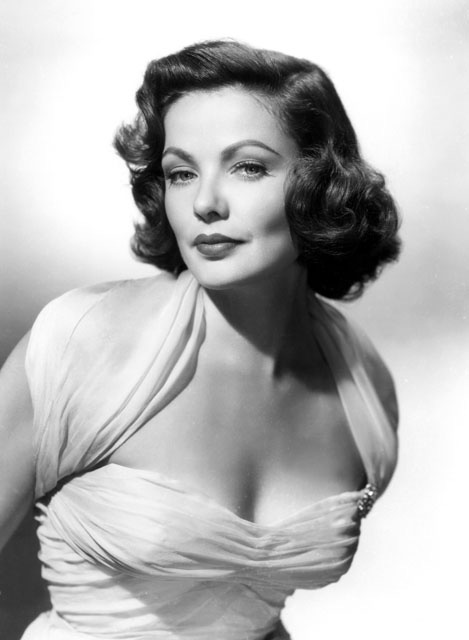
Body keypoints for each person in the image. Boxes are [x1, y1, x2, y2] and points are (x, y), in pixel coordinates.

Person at [0, 40, 400, 639]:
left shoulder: (364, 388)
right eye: (181, 173)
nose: (206, 203)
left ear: (321, 184)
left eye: (248, 167)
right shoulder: (81, 343)